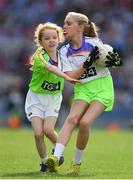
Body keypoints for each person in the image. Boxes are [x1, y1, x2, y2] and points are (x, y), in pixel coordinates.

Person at [46, 12, 122, 174]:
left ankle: (76, 164)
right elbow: (70, 77)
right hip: (81, 87)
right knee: (72, 118)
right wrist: (88, 63)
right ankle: (55, 157)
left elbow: (113, 60)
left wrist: (115, 60)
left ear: (81, 27)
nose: (64, 27)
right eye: (64, 24)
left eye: (69, 23)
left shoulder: (94, 43)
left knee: (85, 123)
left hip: (102, 86)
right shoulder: (64, 51)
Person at [25, 22, 79, 172]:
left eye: (54, 37)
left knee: (48, 130)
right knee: (38, 133)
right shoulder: (39, 56)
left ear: (59, 38)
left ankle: (57, 153)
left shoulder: (64, 54)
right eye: (47, 38)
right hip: (35, 99)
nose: (51, 40)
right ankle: (44, 162)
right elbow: (51, 68)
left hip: (53, 99)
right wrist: (66, 78)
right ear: (41, 41)